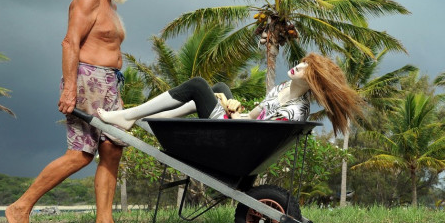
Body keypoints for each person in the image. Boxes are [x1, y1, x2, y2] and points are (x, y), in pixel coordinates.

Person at [6, 0, 142, 223]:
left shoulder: (113, 9)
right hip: (86, 80)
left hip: (110, 83)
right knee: (81, 154)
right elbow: (70, 43)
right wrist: (69, 89)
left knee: (112, 149)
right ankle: (20, 207)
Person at [98, 53, 362, 136]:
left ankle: (130, 116)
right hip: (239, 129)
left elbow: (258, 135)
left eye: (307, 68)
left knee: (199, 85)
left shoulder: (295, 111)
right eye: (303, 62)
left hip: (237, 138)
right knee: (221, 88)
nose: (299, 65)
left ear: (314, 81)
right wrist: (237, 109)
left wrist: (233, 117)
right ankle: (156, 121)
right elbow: (256, 116)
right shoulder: (281, 88)